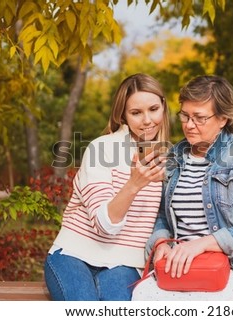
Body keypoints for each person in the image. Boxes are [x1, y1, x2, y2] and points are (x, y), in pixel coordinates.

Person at [132, 75, 233, 300]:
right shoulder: (174, 157)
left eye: (199, 118)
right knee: (141, 298)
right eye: (184, 115)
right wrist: (160, 242)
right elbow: (162, 215)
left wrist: (202, 245)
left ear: (223, 118)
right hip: (187, 268)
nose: (189, 125)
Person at [44, 73, 170, 301]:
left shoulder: (169, 159)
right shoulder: (101, 148)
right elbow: (103, 226)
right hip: (74, 253)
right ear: (122, 115)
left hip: (126, 262)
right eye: (136, 113)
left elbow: (166, 218)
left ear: (164, 107)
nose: (147, 120)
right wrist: (133, 185)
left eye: (153, 109)